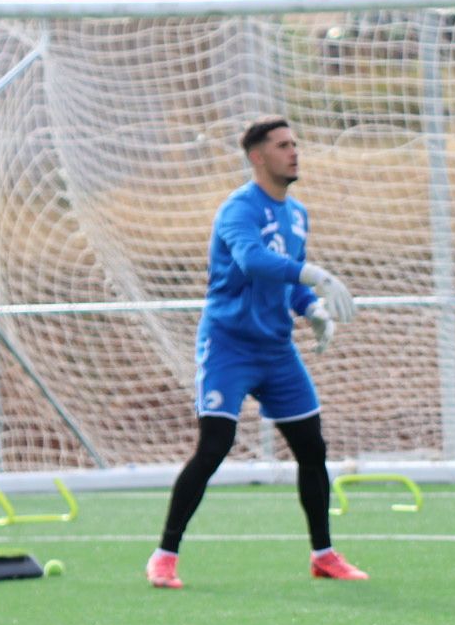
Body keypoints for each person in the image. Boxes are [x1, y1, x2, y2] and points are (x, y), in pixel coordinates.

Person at [146, 117, 367, 589]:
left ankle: (323, 554)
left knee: (313, 448)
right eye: (283, 145)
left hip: (277, 350)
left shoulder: (298, 213)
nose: (294, 152)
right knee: (214, 446)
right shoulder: (238, 209)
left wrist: (313, 308)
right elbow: (253, 262)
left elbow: (284, 284)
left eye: (295, 144)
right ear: (257, 157)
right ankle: (164, 555)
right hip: (228, 346)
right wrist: (315, 275)